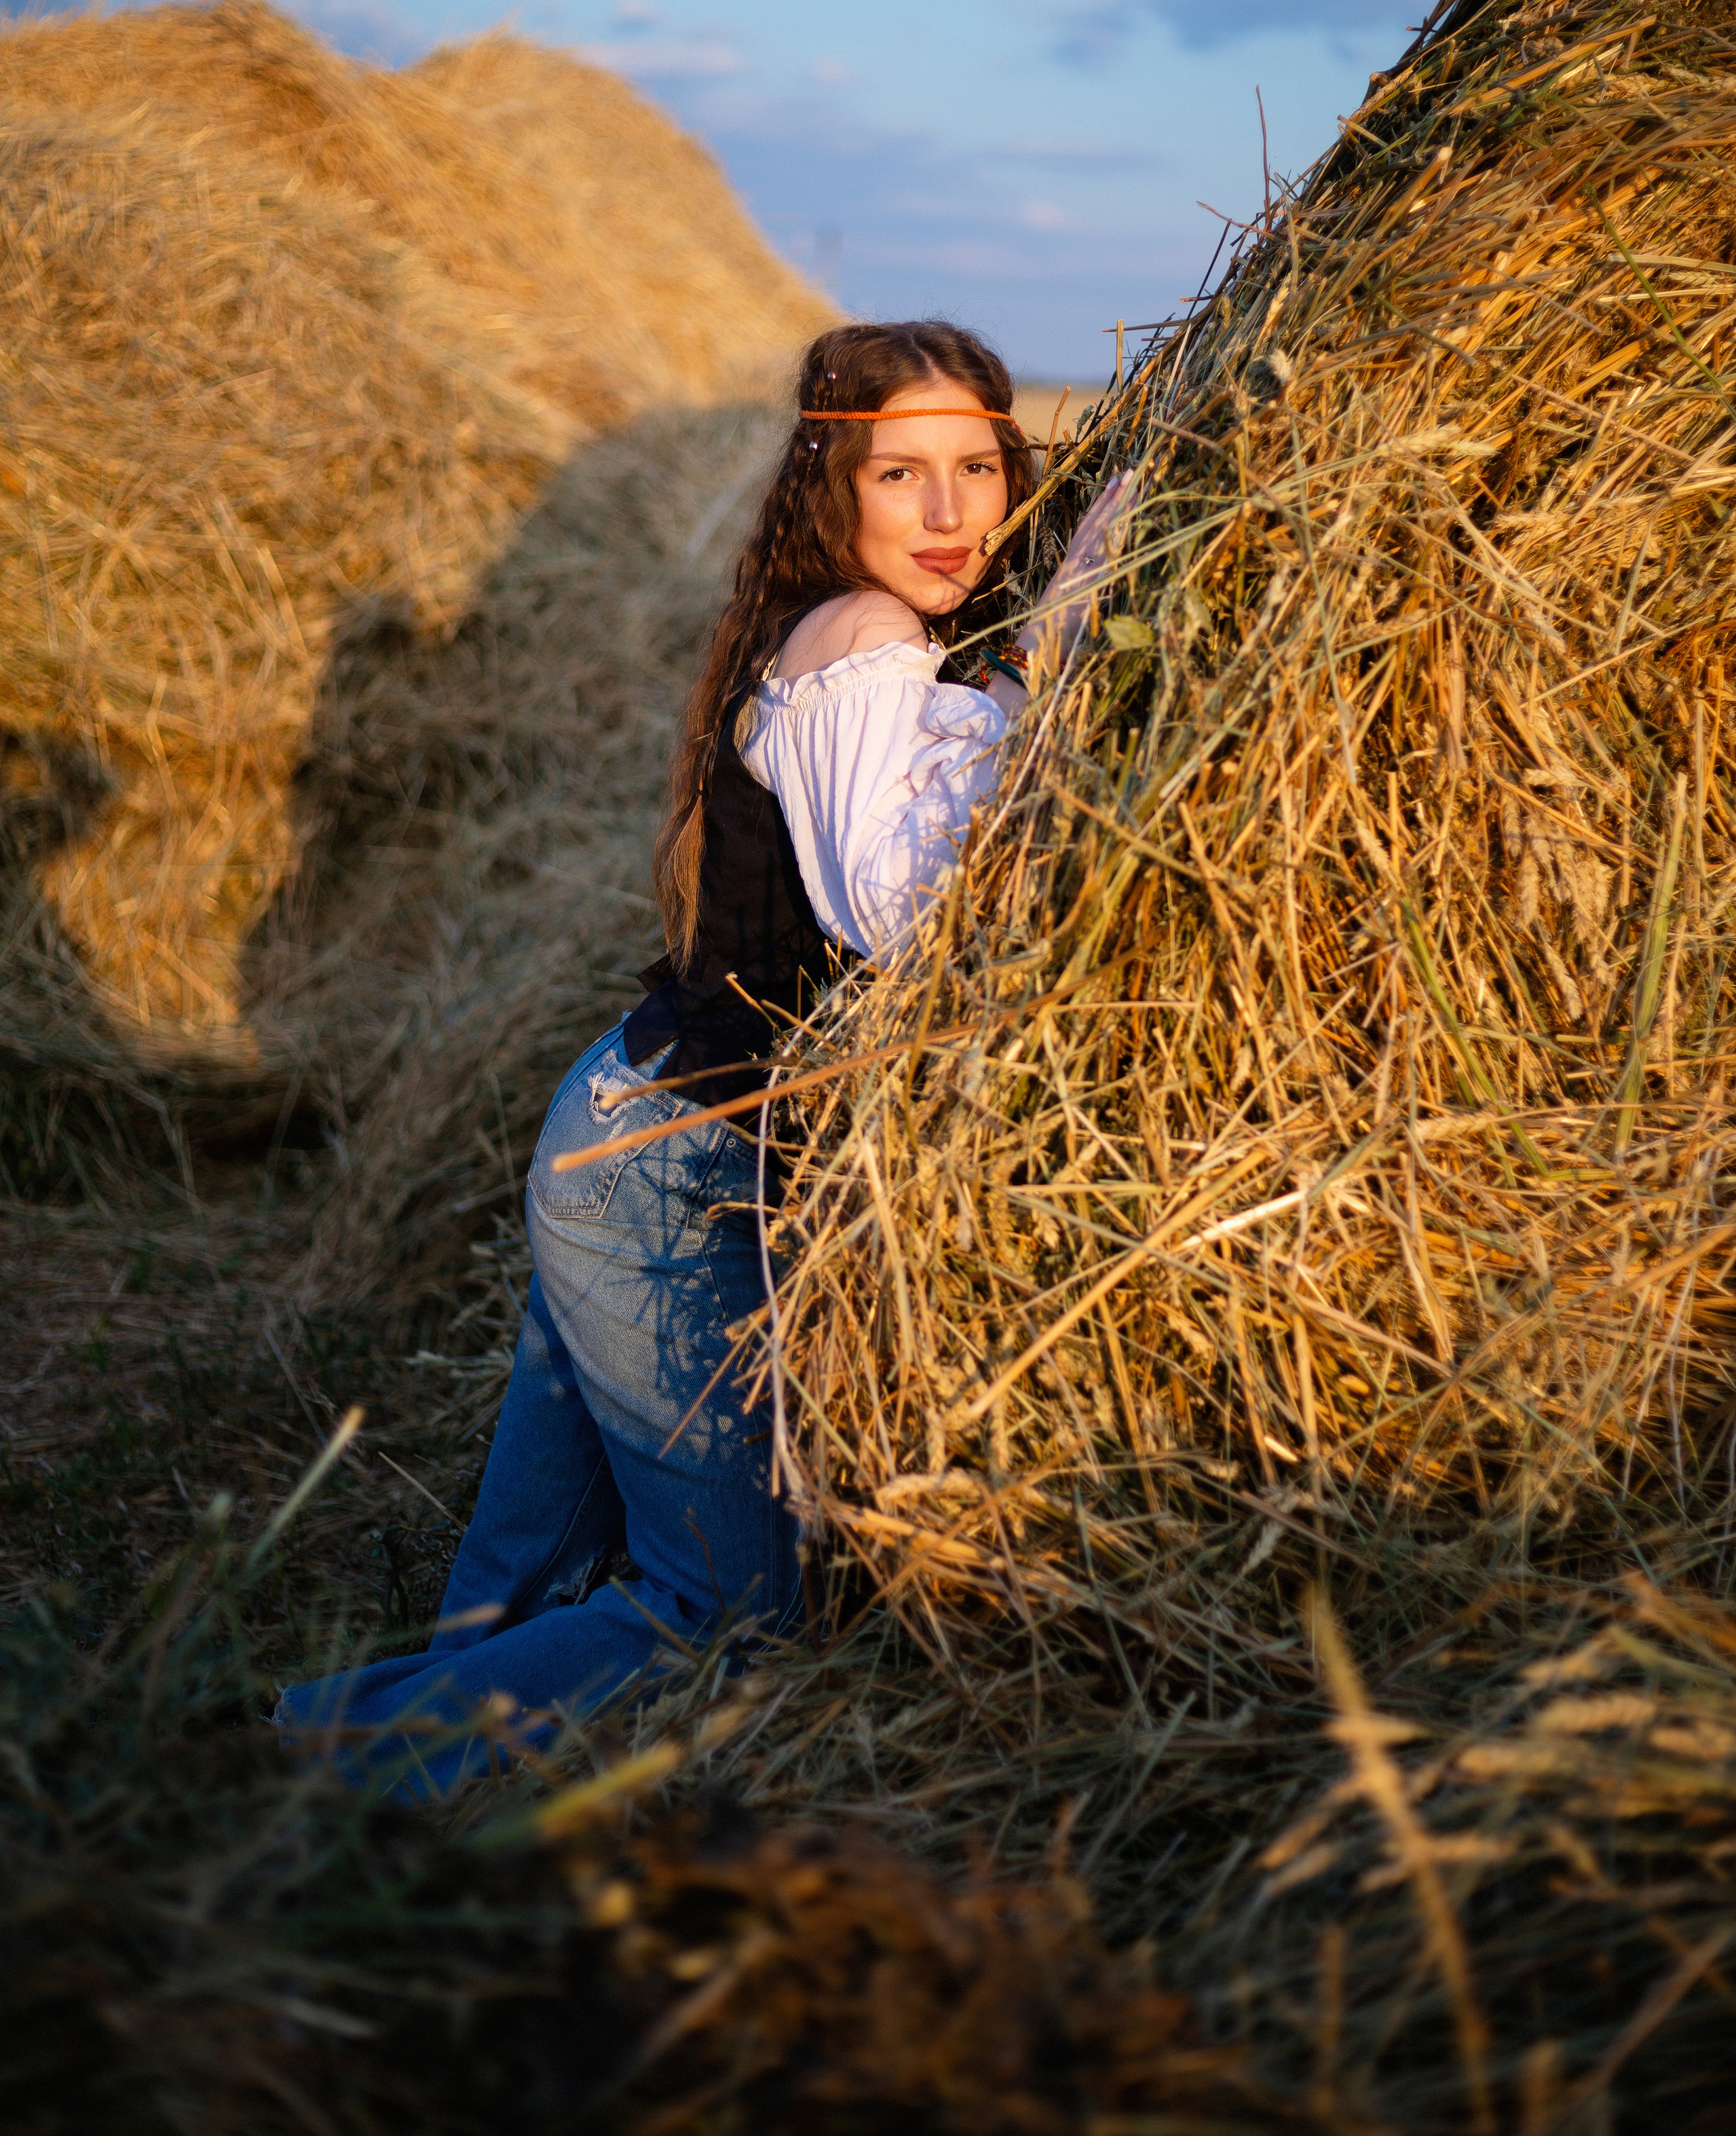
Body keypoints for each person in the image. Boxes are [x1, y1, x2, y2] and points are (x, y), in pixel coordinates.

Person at [276, 320, 1125, 1792]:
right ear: (827, 487)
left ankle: (294, 1772)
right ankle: (309, 1792)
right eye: (898, 474)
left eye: (980, 468)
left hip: (639, 1144)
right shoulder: (857, 642)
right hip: (661, 1183)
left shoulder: (883, 639)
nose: (949, 513)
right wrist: (1068, 641)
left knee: (530, 1601)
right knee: (725, 1611)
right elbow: (906, 904)